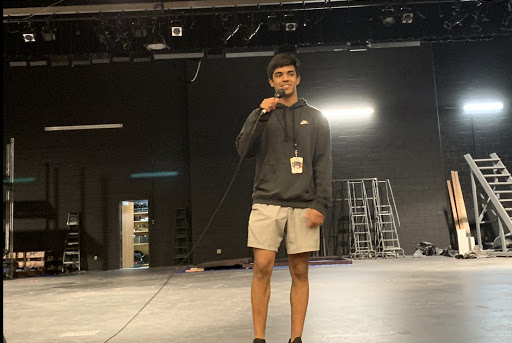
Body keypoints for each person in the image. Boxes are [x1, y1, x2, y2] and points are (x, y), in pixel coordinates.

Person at [235, 53, 333, 343]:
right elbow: (244, 151)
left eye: (290, 73)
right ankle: (259, 339)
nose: (285, 78)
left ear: (298, 78)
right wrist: (261, 116)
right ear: (271, 81)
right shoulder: (260, 115)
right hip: (266, 200)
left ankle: (296, 339)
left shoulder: (316, 118)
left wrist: (321, 204)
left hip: (303, 205)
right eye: (279, 75)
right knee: (262, 266)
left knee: (300, 271)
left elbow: (323, 163)